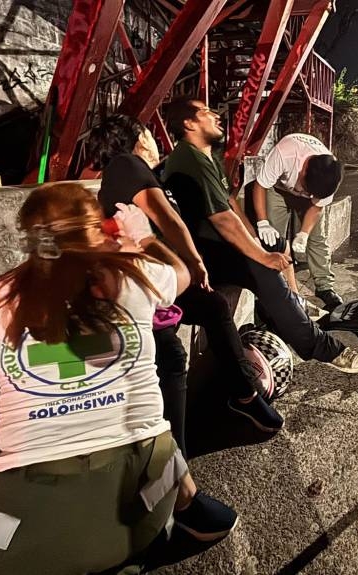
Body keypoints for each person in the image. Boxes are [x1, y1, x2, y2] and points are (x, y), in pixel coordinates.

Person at [0, 183, 235, 575]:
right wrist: (142, 238)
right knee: (160, 450)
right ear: (96, 229)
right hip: (140, 508)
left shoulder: (0, 296)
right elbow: (182, 274)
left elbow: (58, 291)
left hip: (21, 538)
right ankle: (167, 526)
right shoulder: (130, 274)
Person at [87, 115, 284, 457]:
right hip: (142, 287)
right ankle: (176, 456)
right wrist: (195, 262)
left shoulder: (141, 173)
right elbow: (167, 218)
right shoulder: (127, 164)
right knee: (171, 354)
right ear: (137, 138)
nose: (154, 139)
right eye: (149, 133)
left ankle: (242, 396)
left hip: (155, 281)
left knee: (212, 307)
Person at [160, 97, 358, 374]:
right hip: (198, 253)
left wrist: (257, 237)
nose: (216, 115)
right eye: (205, 112)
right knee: (263, 267)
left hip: (214, 244)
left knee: (277, 245)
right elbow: (223, 220)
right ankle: (321, 346)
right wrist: (261, 253)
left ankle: (290, 308)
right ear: (188, 124)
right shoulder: (190, 160)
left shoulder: (206, 156)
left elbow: (230, 202)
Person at [247, 132, 345, 311]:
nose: (306, 193)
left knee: (317, 238)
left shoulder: (329, 175)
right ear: (304, 169)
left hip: (308, 202)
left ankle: (325, 287)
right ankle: (277, 285)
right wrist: (263, 222)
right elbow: (260, 185)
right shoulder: (285, 153)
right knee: (274, 240)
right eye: (307, 189)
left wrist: (304, 233)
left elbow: (317, 207)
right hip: (278, 190)